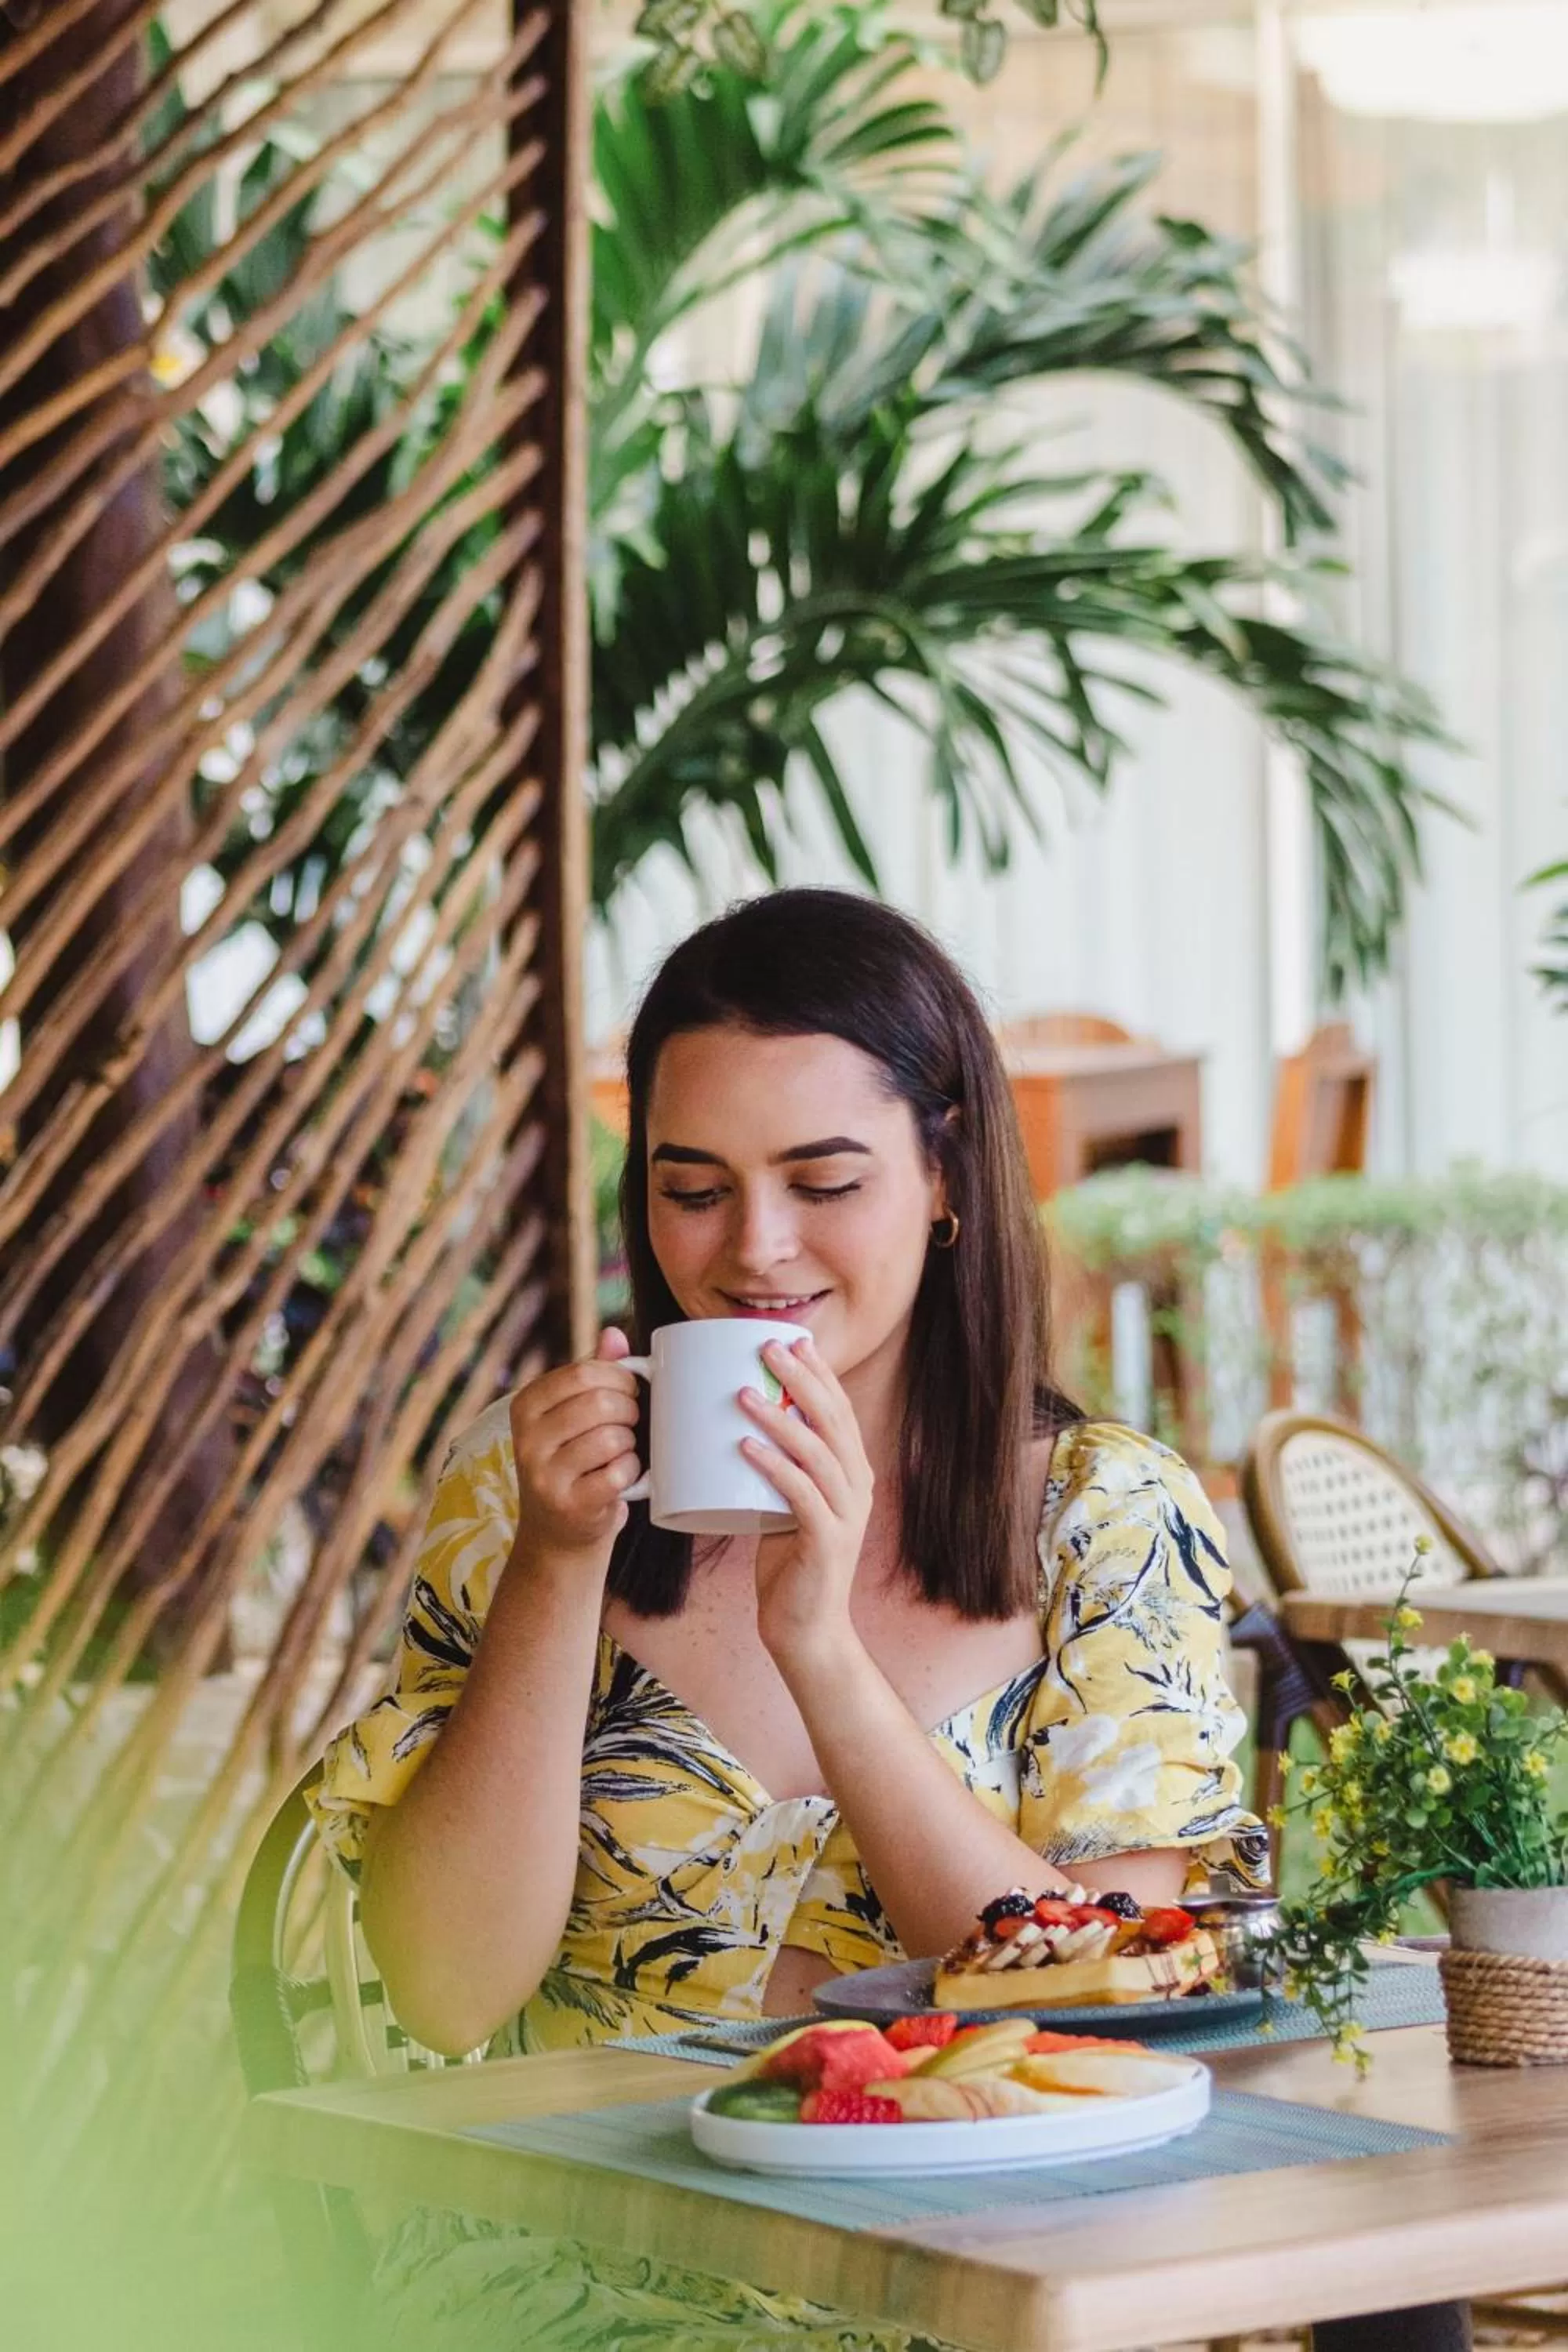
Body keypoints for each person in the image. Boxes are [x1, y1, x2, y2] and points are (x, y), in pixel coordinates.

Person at [309, 887, 1265, 2350]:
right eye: (692, 1189)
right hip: (569, 2273)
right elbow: (445, 1993)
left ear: (946, 1178)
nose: (753, 1249)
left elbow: (1107, 2009)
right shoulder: (527, 1499)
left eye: (824, 1183)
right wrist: (560, 1568)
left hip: (984, 2281)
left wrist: (818, 1649)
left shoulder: (1106, 1521)